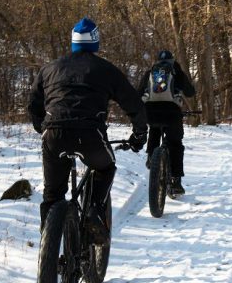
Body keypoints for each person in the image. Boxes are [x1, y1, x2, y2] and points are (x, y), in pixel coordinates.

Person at [28, 17, 147, 244]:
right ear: (95, 42)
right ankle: (94, 211)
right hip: (90, 135)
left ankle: (48, 243)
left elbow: (33, 103)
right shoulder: (106, 70)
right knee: (106, 167)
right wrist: (139, 135)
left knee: (52, 195)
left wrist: (41, 127)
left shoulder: (50, 68)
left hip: (54, 135)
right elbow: (134, 105)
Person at [138, 50, 195, 195]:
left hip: (151, 111)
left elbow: (138, 93)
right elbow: (190, 92)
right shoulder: (176, 71)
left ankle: (152, 157)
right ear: (172, 60)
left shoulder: (151, 72)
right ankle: (176, 181)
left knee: (154, 129)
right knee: (175, 143)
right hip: (172, 113)